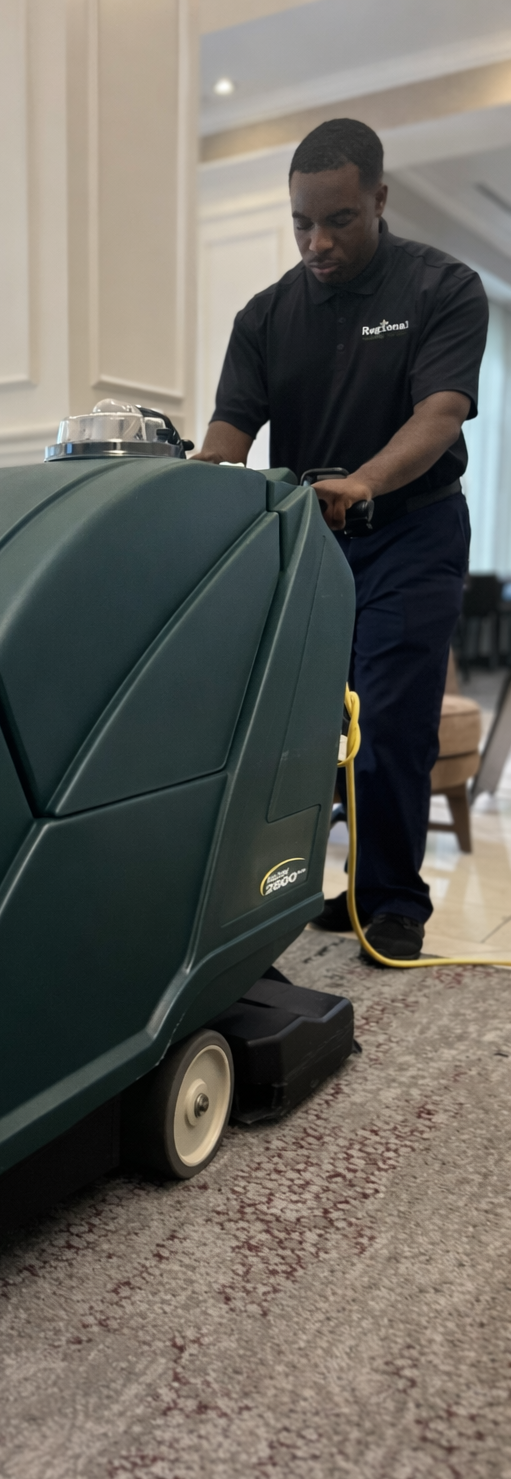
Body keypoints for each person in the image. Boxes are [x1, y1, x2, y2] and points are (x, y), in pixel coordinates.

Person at [193, 118, 489, 961]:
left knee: (391, 718)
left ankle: (391, 900)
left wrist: (362, 481)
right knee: (297, 722)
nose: (316, 242)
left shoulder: (444, 288)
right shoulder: (265, 317)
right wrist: (183, 472)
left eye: (339, 221)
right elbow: (228, 433)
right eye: (301, 223)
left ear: (380, 201)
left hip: (412, 529)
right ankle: (320, 884)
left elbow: (439, 415)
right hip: (308, 544)